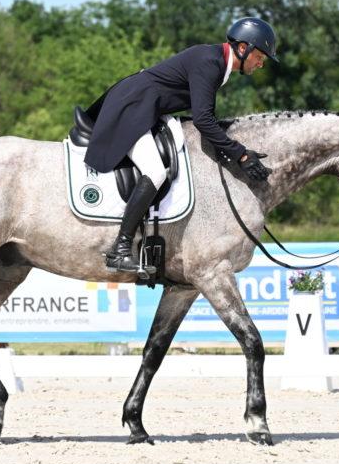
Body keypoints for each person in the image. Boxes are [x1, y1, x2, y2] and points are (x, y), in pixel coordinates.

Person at [83, 17, 279, 275]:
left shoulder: (216, 63)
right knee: (155, 171)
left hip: (148, 107)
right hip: (133, 108)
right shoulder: (210, 63)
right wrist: (240, 155)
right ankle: (120, 249)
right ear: (243, 48)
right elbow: (203, 120)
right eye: (261, 55)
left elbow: (202, 115)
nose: (262, 62)